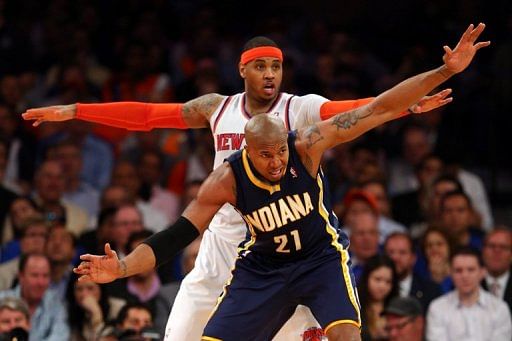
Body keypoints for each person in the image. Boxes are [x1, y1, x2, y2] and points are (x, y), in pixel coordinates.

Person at [72, 23, 490, 340]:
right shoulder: (222, 167)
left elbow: (369, 110)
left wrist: (432, 82)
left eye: (277, 65)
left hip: (309, 253)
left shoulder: (306, 129)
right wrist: (123, 266)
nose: (270, 74)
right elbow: (173, 229)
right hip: (245, 249)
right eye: (260, 66)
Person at [426, 247, 512, 341]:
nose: (465, 276)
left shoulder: (499, 308)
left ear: (482, 272)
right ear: (450, 273)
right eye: (458, 270)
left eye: (471, 270)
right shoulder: (437, 308)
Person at [357, 254, 399, 341]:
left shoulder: (398, 307)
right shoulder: (354, 306)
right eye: (378, 279)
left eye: (388, 282)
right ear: (367, 278)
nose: (382, 286)